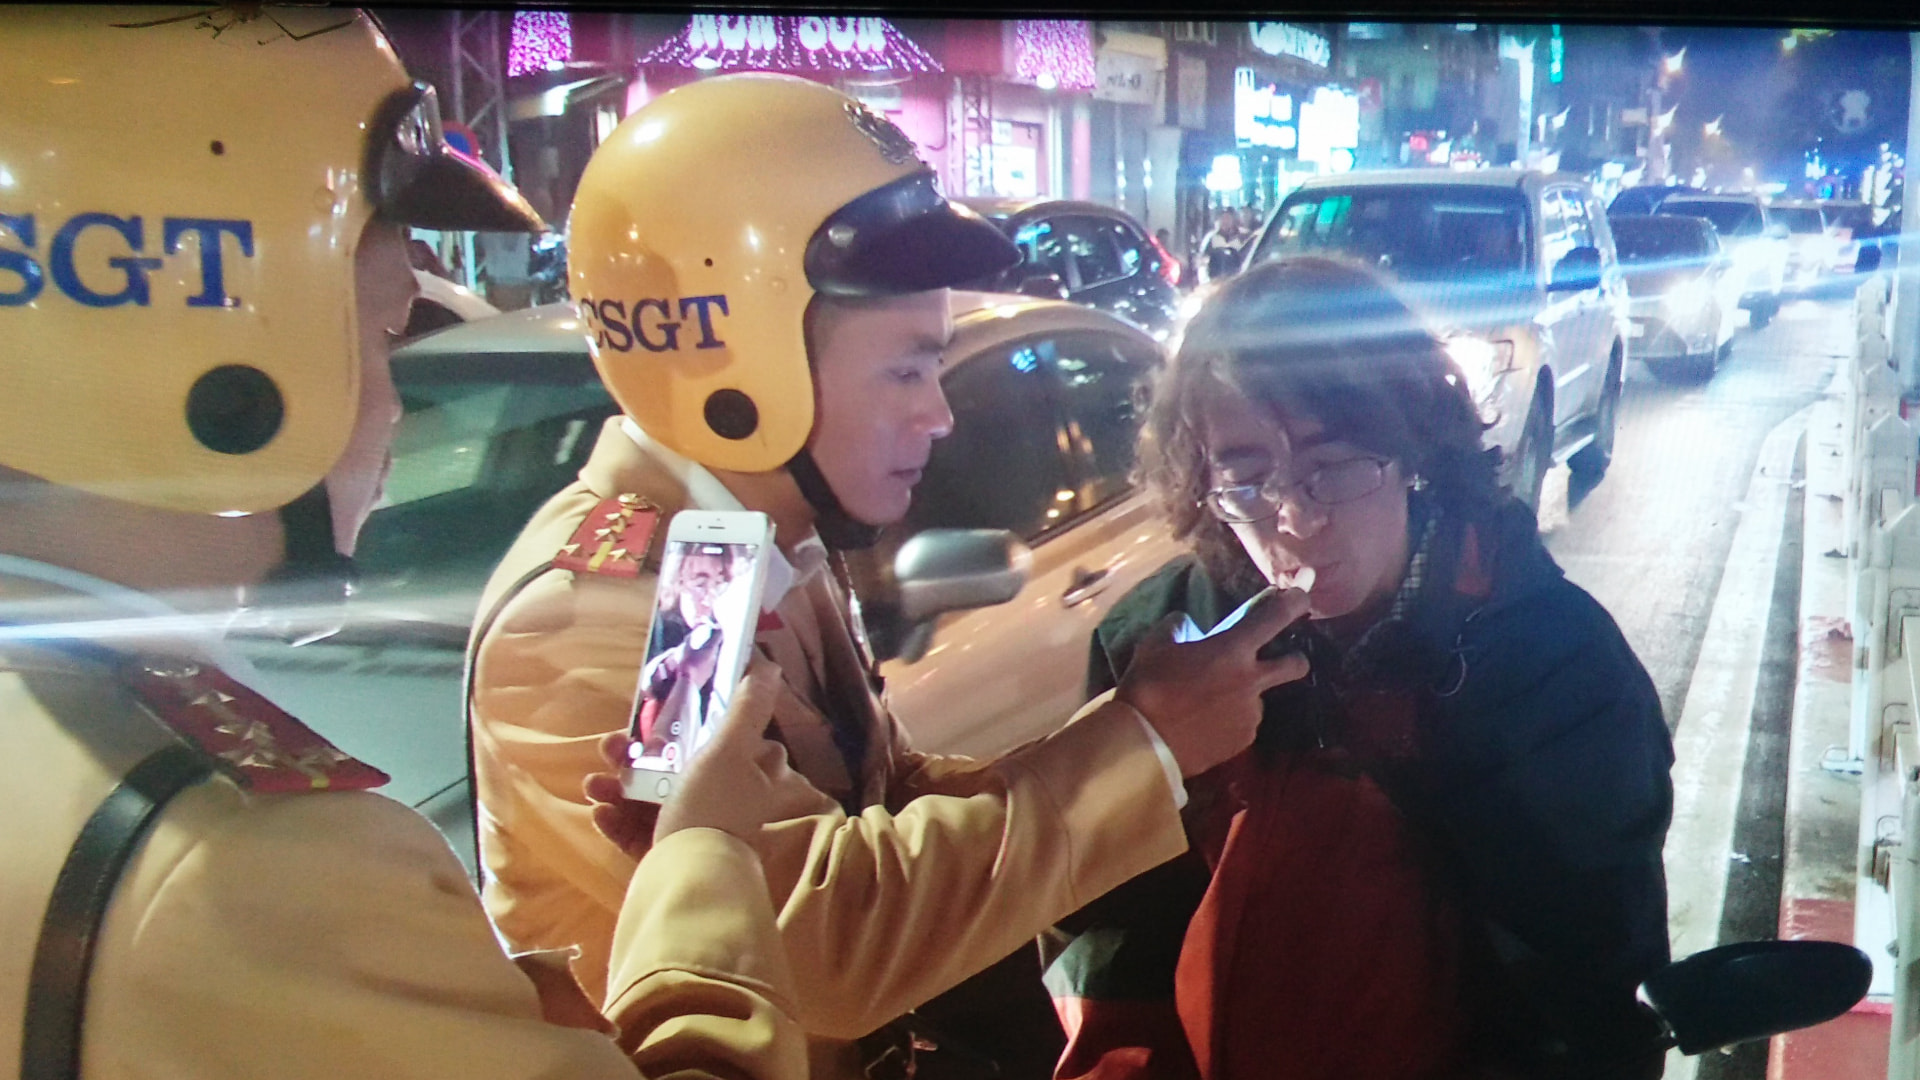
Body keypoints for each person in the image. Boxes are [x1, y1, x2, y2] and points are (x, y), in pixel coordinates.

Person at [1, 10, 820, 1079]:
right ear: (229, 376)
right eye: (389, 332)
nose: (396, 410)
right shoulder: (246, 866)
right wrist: (704, 855)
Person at [466, 72, 1308, 1079]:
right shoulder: (633, 613)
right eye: (908, 368)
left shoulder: (747, 544)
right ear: (745, 361)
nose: (940, 415)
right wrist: (1144, 746)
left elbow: (881, 810)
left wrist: (1131, 736)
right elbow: (819, 942)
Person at [1044, 256, 1675, 1080]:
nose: (1295, 519)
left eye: (1332, 465)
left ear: (1411, 446)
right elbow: (1108, 936)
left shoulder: (1553, 667)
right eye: (1245, 476)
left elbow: (1585, 990)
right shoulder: (1164, 650)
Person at [1198, 208, 1245, 284]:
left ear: (1233, 220)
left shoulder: (1241, 237)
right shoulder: (1211, 238)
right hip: (1215, 281)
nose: (1225, 221)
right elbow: (1203, 261)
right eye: (1223, 218)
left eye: (1228, 218)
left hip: (1235, 281)